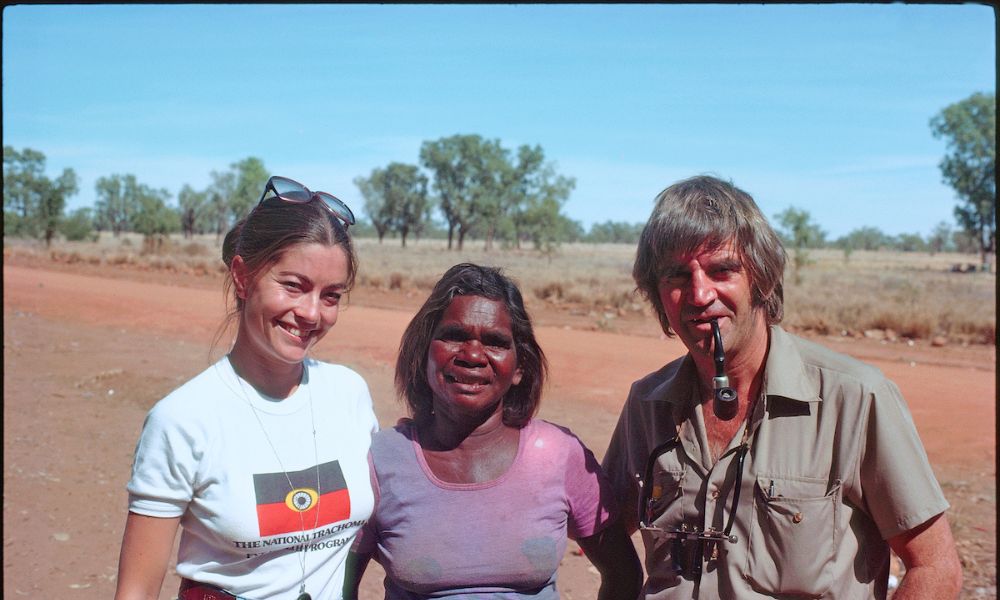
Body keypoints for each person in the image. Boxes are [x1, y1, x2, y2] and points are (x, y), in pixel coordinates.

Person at [602, 175, 963, 599]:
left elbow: (935, 566)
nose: (699, 294)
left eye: (722, 270)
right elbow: (602, 526)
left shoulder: (853, 399)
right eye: (677, 276)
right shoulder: (648, 403)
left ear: (763, 277)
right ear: (656, 293)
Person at [115, 176, 378, 600]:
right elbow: (136, 590)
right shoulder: (183, 419)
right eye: (293, 286)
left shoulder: (349, 394)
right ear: (242, 277)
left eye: (331, 296)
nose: (311, 313)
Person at [345, 263, 642, 600]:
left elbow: (624, 574)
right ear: (424, 351)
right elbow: (338, 584)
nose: (472, 355)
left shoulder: (559, 455)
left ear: (520, 368)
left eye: (495, 342)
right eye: (454, 335)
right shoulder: (381, 460)